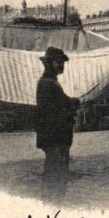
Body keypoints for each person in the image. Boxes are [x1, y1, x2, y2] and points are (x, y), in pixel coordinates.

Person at [35, 47, 80, 203]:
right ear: (48, 63)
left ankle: (50, 206)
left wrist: (71, 102)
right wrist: (73, 104)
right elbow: (59, 107)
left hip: (54, 137)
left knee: (54, 175)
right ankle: (51, 208)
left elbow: (62, 102)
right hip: (55, 137)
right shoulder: (48, 84)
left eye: (62, 62)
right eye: (58, 62)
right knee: (56, 176)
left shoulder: (50, 82)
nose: (61, 65)